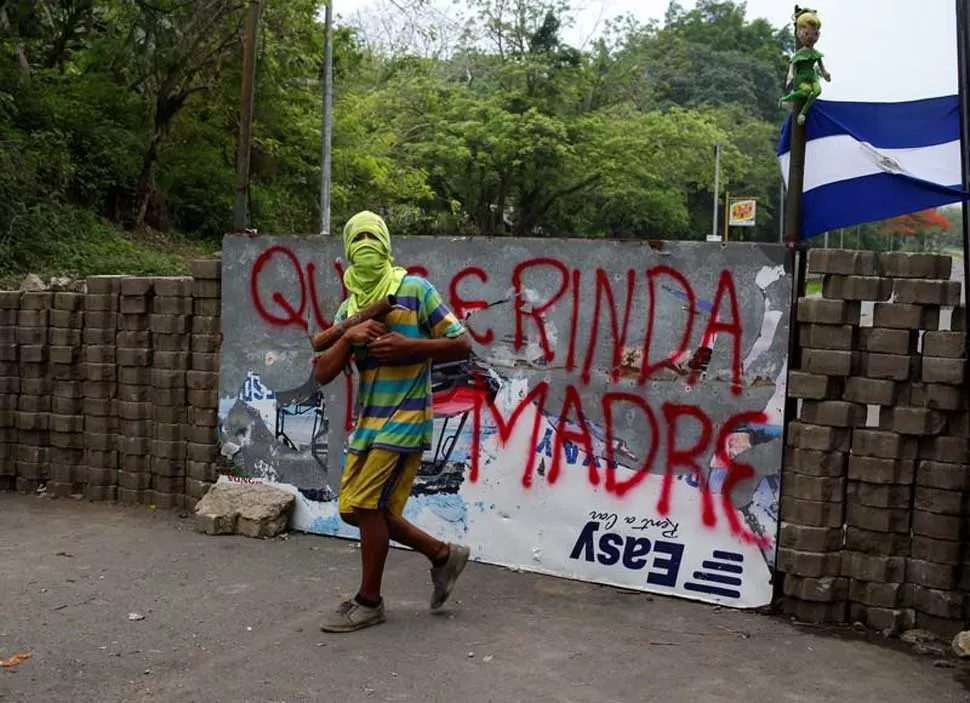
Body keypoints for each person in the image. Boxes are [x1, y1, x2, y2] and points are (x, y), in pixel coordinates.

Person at [313, 210, 473, 633]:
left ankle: (370, 601)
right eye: (358, 237)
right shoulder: (350, 308)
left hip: (406, 417)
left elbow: (462, 343)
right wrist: (347, 336)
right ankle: (442, 554)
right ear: (347, 248)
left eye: (373, 236)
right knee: (355, 510)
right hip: (368, 422)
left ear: (386, 242)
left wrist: (410, 347)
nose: (366, 244)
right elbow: (323, 372)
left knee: (367, 505)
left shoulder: (414, 289)